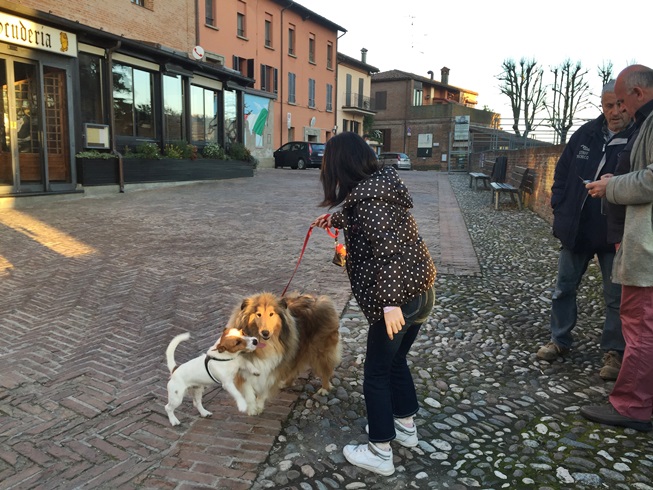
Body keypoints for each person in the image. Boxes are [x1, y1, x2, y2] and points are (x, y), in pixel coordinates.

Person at [311, 132, 436, 475]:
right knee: (396, 363)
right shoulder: (378, 187)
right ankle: (406, 428)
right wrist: (334, 220)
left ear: (341, 165)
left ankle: (380, 451)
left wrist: (390, 304)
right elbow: (369, 221)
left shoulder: (369, 200)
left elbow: (389, 253)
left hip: (399, 298)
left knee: (376, 372)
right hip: (422, 291)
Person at [536, 80, 634, 381]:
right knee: (564, 288)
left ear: (629, 103)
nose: (615, 111)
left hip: (614, 230)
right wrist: (559, 201)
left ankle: (614, 352)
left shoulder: (639, 137)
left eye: (620, 104)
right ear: (601, 107)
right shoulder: (585, 134)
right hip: (577, 228)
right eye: (608, 105)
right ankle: (559, 340)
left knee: (615, 296)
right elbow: (563, 171)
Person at [581, 64, 653, 431]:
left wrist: (611, 186)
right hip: (640, 240)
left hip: (647, 246)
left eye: (623, 101)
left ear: (638, 94)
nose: (619, 109)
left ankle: (633, 406)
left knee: (640, 327)